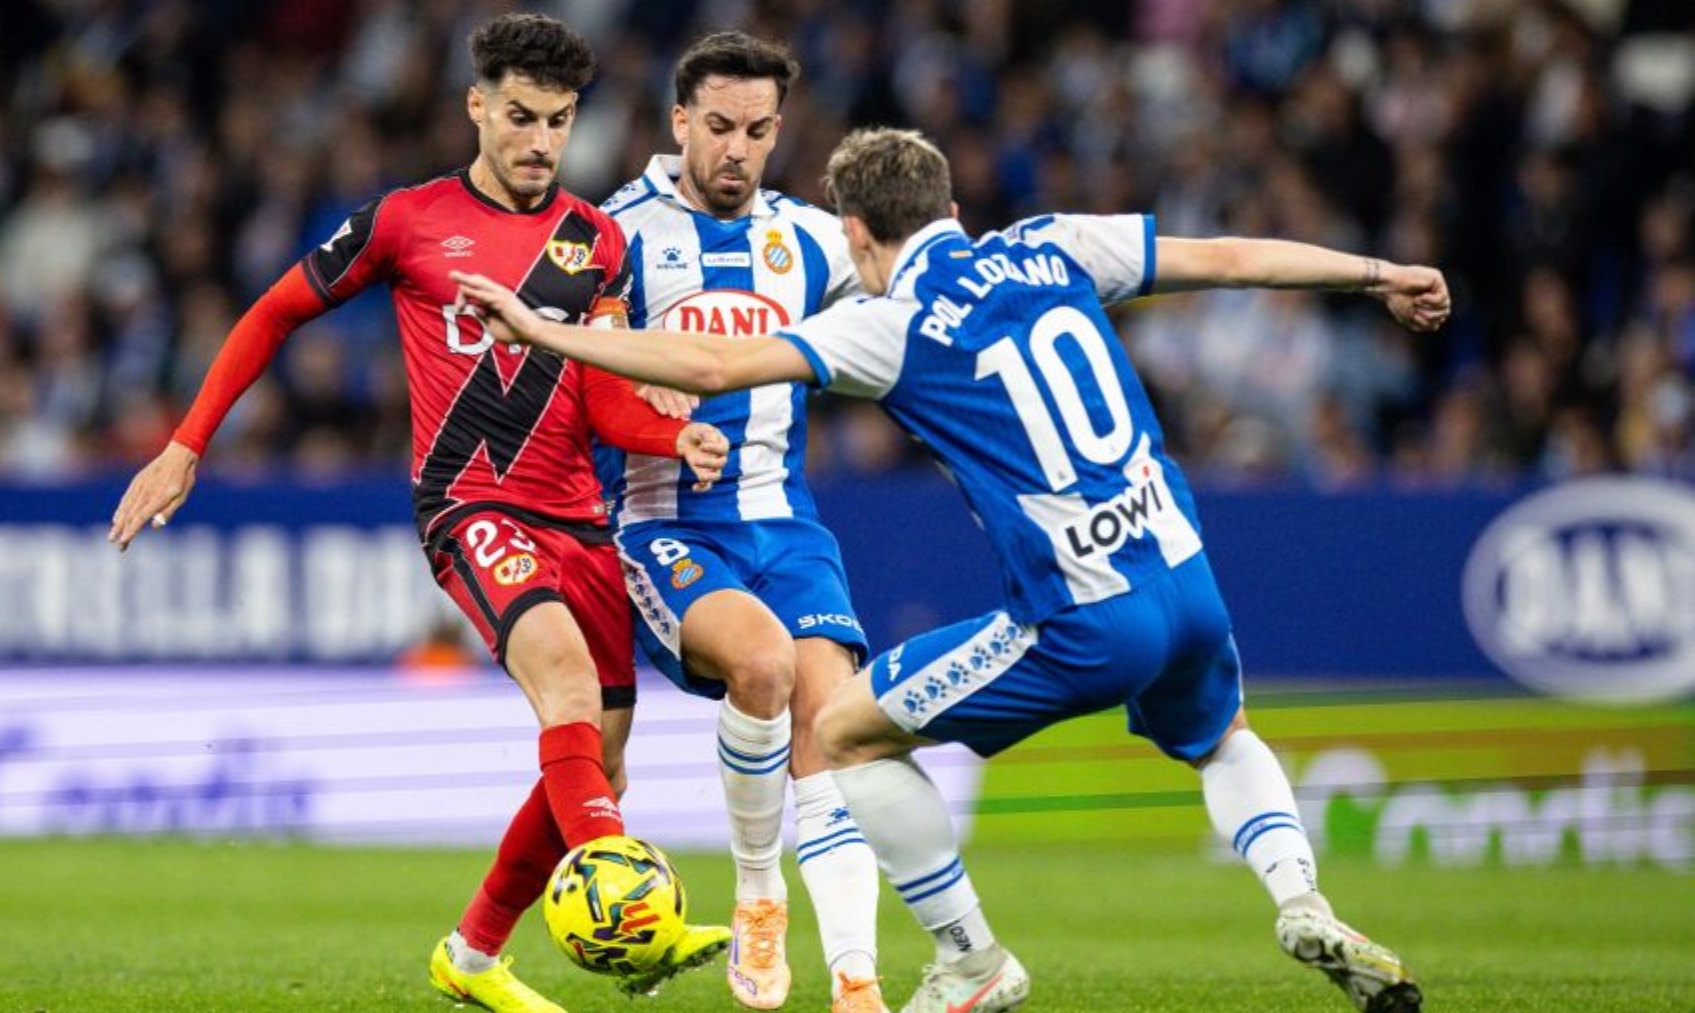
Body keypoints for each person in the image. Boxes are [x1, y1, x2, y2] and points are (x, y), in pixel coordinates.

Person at [448, 126, 1444, 1013]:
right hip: (1184, 571)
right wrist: (1377, 272)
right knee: (1222, 733)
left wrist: (539, 327)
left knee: (843, 731)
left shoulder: (892, 322)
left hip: (1086, 613)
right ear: (954, 209)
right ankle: (1301, 898)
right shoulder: (1052, 241)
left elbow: (709, 370)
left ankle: (968, 956)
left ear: (856, 236)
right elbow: (1226, 258)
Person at [107, 15, 732, 1013]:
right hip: (472, 505)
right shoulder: (407, 220)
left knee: (600, 744)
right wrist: (188, 442)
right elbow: (275, 310)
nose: (538, 141)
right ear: (477, 107)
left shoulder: (597, 240)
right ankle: (626, 909)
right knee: (566, 686)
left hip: (579, 517)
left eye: (559, 122)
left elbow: (606, 395)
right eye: (520, 116)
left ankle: (474, 954)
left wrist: (671, 435)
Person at [596, 32, 882, 1013]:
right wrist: (650, 416)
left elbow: (904, 306)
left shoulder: (806, 237)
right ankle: (760, 891)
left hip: (784, 519)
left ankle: (856, 977)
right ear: (680, 122)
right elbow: (568, 366)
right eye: (718, 127)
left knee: (837, 725)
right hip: (663, 520)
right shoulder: (615, 232)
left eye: (757, 131)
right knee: (762, 664)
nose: (736, 148)